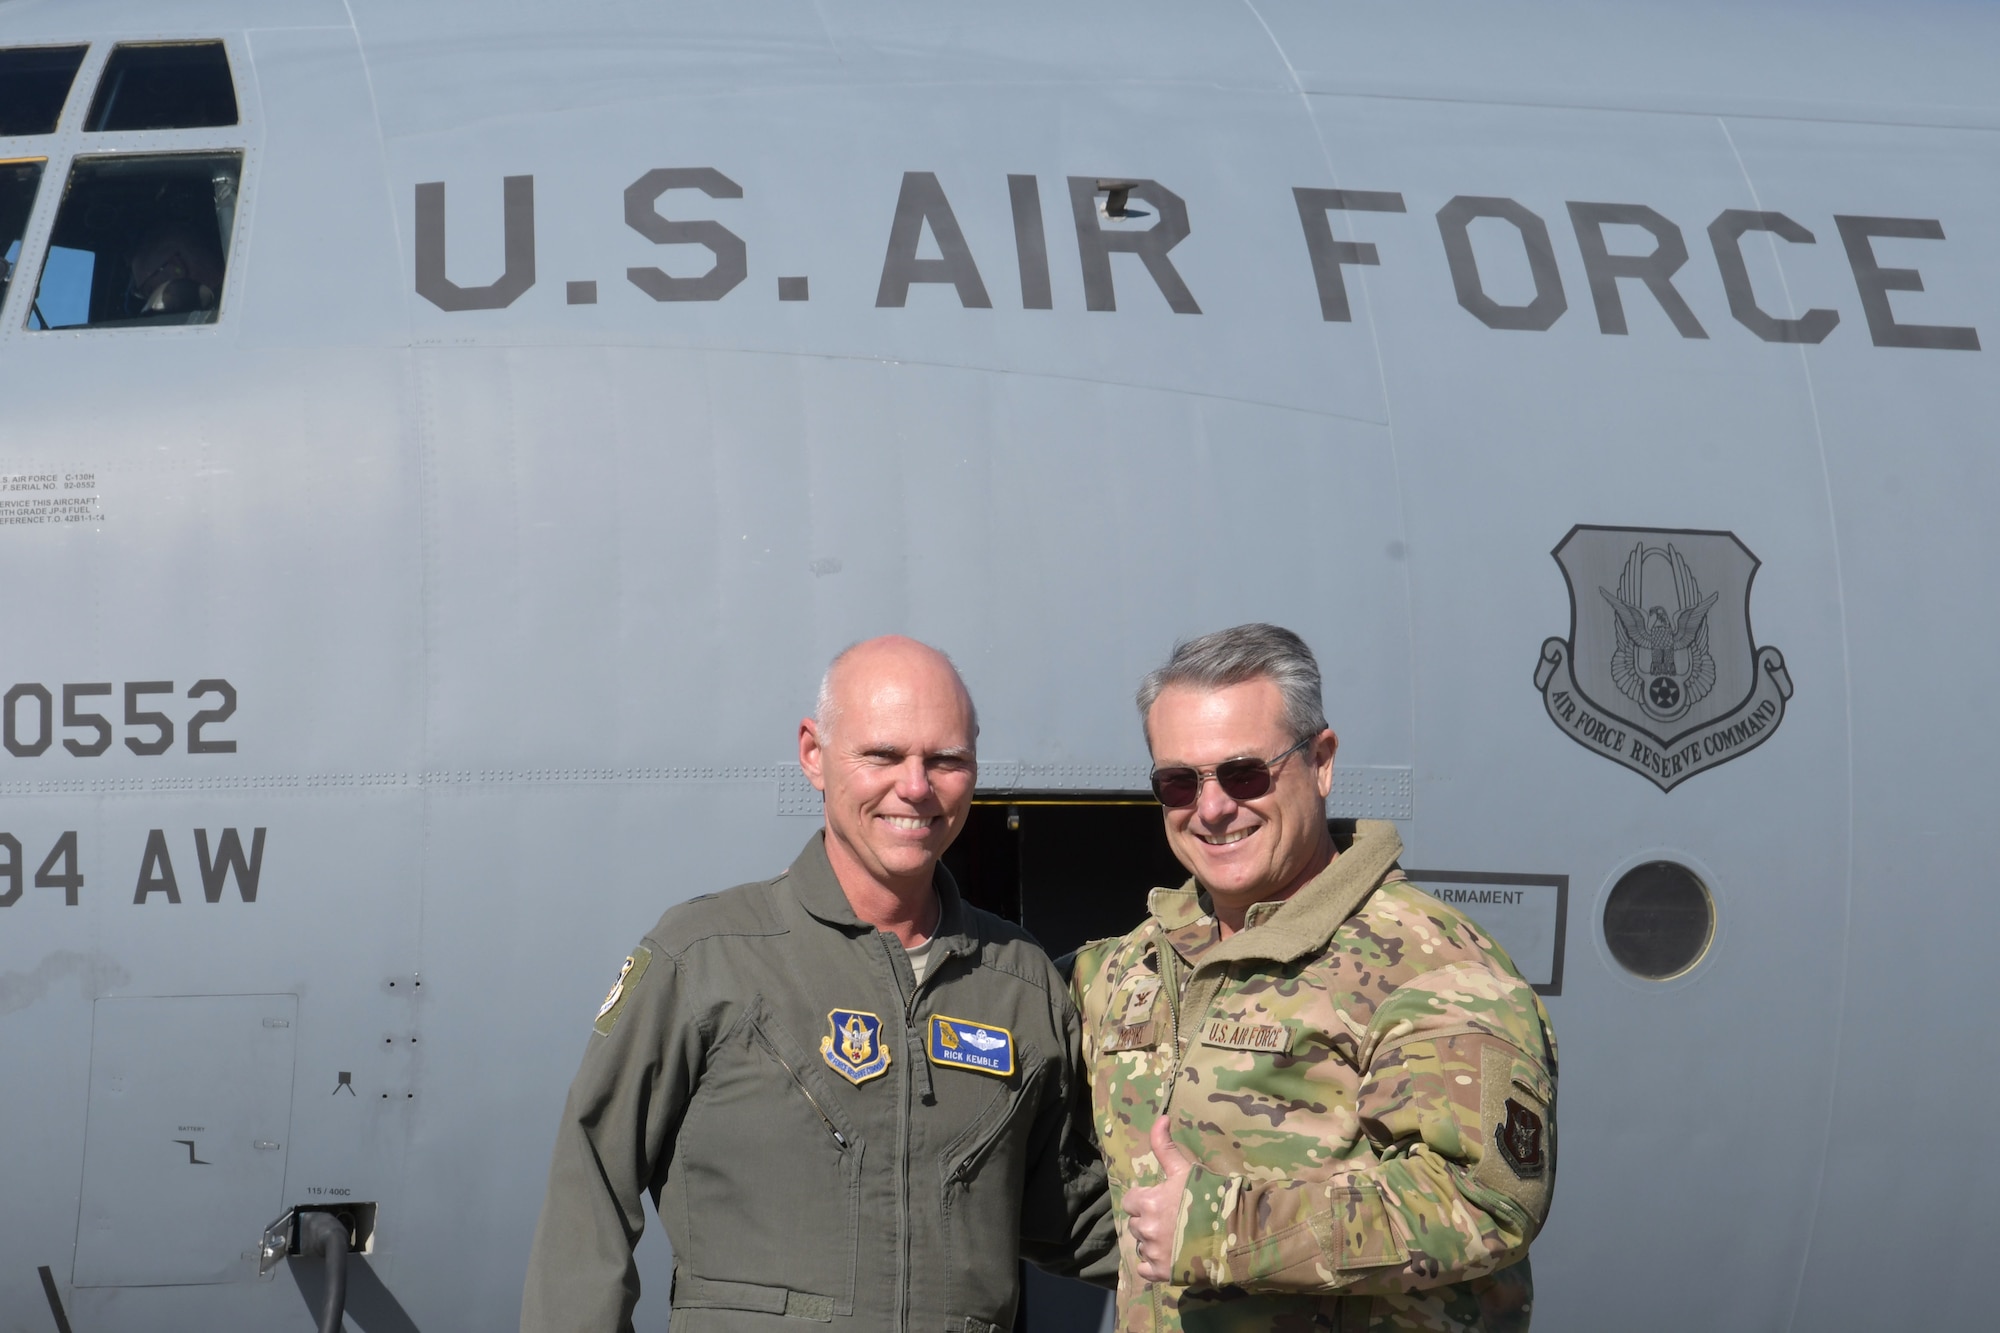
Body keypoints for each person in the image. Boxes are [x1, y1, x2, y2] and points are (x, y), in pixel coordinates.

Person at [521, 635, 1115, 1333]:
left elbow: (1070, 1214)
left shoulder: (1018, 981)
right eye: (883, 754)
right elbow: (588, 1191)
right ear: (814, 754)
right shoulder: (708, 957)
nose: (916, 786)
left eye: (945, 759)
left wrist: (1237, 1225)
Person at [1068, 624, 1558, 1332]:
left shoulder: (1431, 963)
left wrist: (1223, 1226)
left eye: (1244, 773)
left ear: (1321, 761)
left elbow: (1485, 1197)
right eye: (1179, 781)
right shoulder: (1126, 968)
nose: (1211, 808)